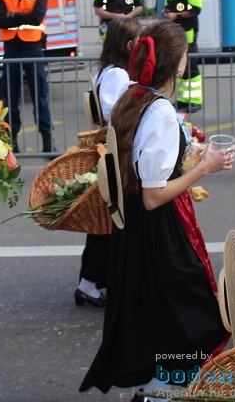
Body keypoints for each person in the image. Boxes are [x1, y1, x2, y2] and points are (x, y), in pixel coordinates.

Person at [81, 21, 232, 398]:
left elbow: (143, 167)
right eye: (185, 55)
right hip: (158, 226)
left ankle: (157, 386)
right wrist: (203, 168)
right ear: (178, 64)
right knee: (196, 317)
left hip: (136, 224)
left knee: (162, 314)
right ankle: (160, 390)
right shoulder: (159, 110)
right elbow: (154, 194)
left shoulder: (135, 95)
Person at [77, 17, 142, 308]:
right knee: (108, 223)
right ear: (129, 45)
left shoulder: (110, 70)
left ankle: (94, 282)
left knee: (107, 224)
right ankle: (90, 284)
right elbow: (114, 111)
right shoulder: (117, 74)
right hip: (116, 152)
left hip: (113, 151)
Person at [0, 0, 54, 154]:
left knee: (40, 96)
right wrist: (18, 17)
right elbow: (1, 21)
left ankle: (47, 140)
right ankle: (12, 141)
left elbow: (37, 18)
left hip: (33, 48)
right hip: (11, 48)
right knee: (10, 97)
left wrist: (14, 16)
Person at [162, 0, 204, 112]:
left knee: (191, 67)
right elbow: (169, 6)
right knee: (180, 67)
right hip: (175, 34)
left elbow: (195, 9)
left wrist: (177, 14)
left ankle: (196, 100)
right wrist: (167, 12)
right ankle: (183, 100)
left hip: (188, 33)